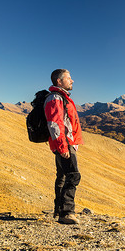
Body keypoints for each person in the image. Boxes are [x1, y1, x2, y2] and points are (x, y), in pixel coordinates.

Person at [44, 69, 83, 224]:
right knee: (73, 175)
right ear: (59, 81)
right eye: (69, 78)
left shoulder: (61, 97)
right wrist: (63, 147)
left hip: (66, 143)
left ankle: (59, 211)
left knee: (62, 176)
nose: (72, 81)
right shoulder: (56, 98)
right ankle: (67, 213)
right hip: (64, 144)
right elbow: (54, 124)